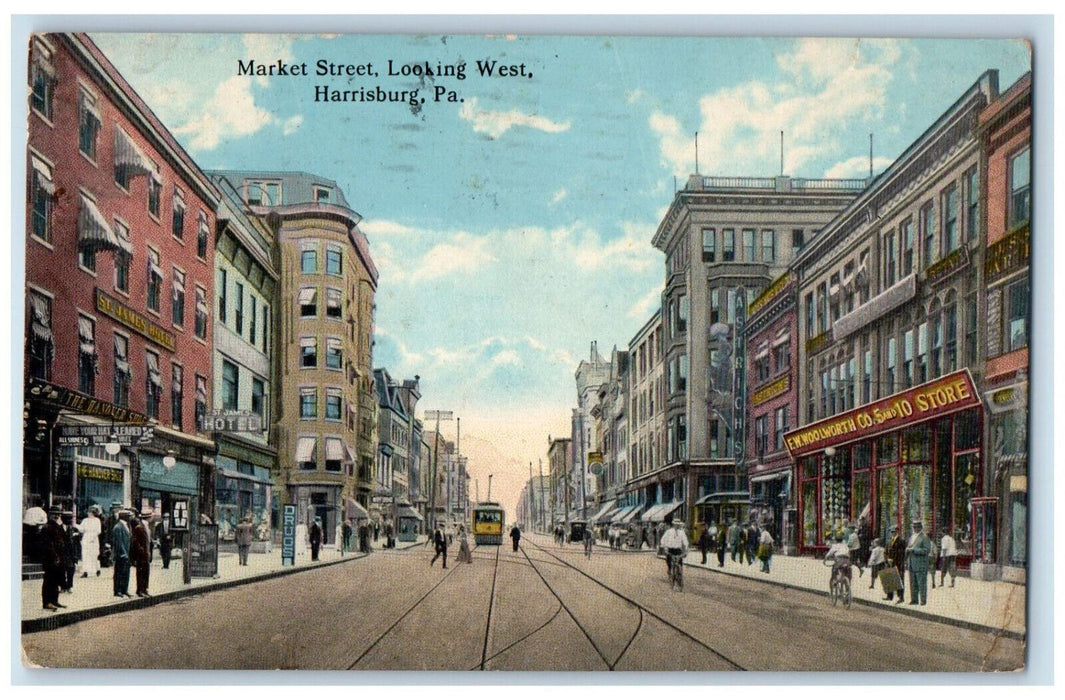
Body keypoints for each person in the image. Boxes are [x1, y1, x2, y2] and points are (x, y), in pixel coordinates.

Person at [39, 506, 67, 610]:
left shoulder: (57, 526)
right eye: (55, 514)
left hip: (58, 558)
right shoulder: (47, 527)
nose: (57, 516)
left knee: (56, 580)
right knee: (49, 580)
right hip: (50, 559)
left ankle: (55, 600)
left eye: (59, 514)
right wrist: (54, 556)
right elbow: (47, 545)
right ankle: (47, 602)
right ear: (50, 515)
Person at [906, 521, 932, 606]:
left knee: (922, 583)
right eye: (914, 527)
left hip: (921, 564)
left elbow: (926, 550)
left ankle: (923, 600)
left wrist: (914, 550)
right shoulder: (911, 537)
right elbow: (909, 547)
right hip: (911, 563)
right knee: (913, 583)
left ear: (921, 527)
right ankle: (914, 599)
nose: (915, 528)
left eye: (917, 527)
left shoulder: (924, 537)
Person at [660, 520, 689, 590]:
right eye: (676, 524)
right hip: (670, 550)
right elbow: (663, 540)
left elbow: (685, 541)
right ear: (673, 524)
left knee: (679, 565)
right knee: (670, 564)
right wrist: (665, 547)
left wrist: (686, 550)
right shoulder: (669, 532)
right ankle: (671, 576)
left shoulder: (682, 532)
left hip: (678, 550)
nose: (677, 526)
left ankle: (680, 580)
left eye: (678, 524)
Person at [77, 505, 103, 578]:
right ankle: (85, 571)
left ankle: (97, 569)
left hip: (93, 539)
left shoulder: (97, 520)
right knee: (85, 555)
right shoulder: (85, 520)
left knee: (94, 555)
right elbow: (82, 529)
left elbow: (98, 531)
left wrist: (92, 537)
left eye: (90, 512)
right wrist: (76, 526)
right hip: (86, 539)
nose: (89, 513)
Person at [131, 510, 152, 597]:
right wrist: (141, 550)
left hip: (147, 553)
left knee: (146, 572)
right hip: (141, 554)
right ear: (148, 517)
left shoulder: (147, 526)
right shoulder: (139, 527)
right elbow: (135, 541)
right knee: (141, 572)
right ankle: (140, 590)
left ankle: (145, 589)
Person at [112, 510, 132, 598]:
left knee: (126, 572)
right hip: (121, 555)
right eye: (128, 516)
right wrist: (123, 553)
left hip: (127, 554)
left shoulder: (126, 526)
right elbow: (118, 542)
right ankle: (117, 590)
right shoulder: (118, 527)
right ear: (123, 517)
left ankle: (124, 589)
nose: (130, 518)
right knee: (119, 573)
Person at [886, 525, 907, 603]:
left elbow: (901, 553)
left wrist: (893, 559)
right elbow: (886, 551)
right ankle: (889, 596)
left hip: (898, 563)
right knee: (889, 579)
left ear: (898, 531)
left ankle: (901, 597)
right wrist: (887, 559)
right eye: (891, 532)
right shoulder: (889, 541)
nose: (893, 533)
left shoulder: (901, 541)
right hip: (889, 563)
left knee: (899, 580)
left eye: (894, 532)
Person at [60, 511, 79, 593]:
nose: (69, 520)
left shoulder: (74, 529)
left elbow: (76, 544)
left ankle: (70, 585)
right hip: (62, 553)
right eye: (67, 518)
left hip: (71, 553)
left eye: (70, 518)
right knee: (61, 571)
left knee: (71, 570)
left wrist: (76, 555)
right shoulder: (58, 529)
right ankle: (63, 586)